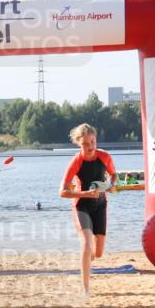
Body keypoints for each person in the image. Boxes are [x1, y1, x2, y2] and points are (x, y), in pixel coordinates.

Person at [60, 123, 117, 298]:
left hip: (100, 205)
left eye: (92, 141)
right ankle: (85, 289)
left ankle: (88, 257)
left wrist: (111, 185)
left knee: (98, 253)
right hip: (81, 206)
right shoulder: (76, 161)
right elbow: (62, 191)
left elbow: (114, 175)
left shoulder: (105, 157)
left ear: (96, 140)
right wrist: (85, 193)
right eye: (85, 143)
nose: (90, 146)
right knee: (86, 243)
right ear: (79, 144)